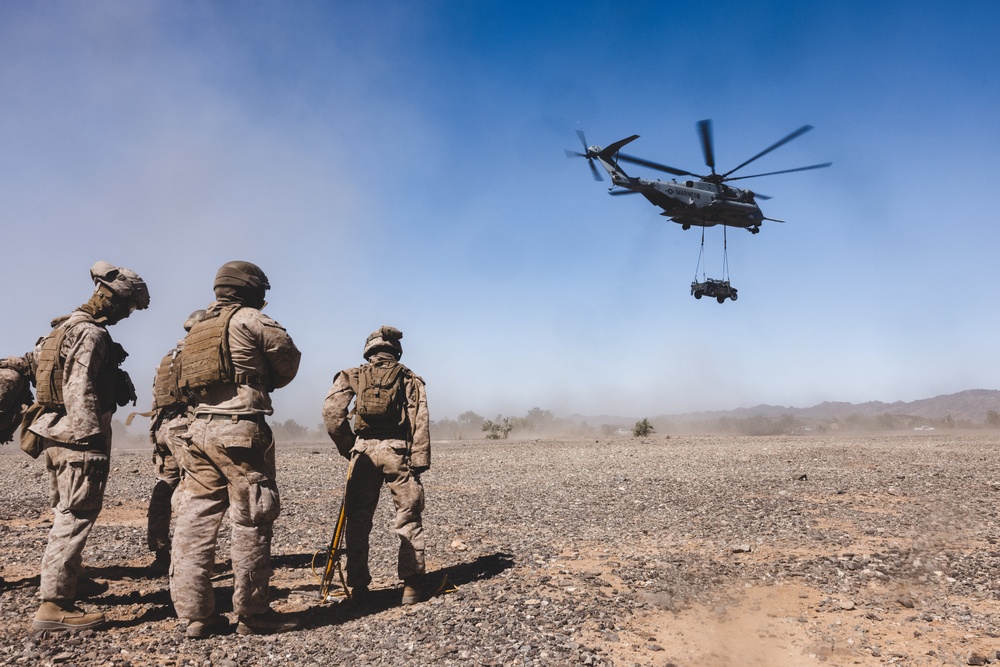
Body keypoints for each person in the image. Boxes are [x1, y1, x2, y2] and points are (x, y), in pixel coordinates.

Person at [169, 261, 301, 639]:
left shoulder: (195, 330)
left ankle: (195, 616)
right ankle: (253, 613)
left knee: (194, 523)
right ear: (251, 290)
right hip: (239, 430)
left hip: (196, 432)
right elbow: (287, 363)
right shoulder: (251, 320)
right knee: (252, 520)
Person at [25, 261, 149, 631]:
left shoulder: (60, 329)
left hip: (54, 434)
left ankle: (66, 582)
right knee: (75, 515)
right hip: (78, 440)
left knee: (65, 510)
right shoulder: (90, 334)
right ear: (112, 300)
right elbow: (79, 389)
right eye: (127, 307)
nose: (127, 315)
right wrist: (92, 441)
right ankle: (55, 605)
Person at [322, 325, 430, 606]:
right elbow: (420, 420)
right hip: (398, 452)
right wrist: (418, 462)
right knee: (408, 516)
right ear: (396, 350)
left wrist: (351, 448)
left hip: (363, 453)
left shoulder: (351, 375)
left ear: (368, 349)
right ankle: (412, 585)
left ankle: (359, 588)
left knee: (357, 520)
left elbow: (332, 413)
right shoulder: (409, 377)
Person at [145, 309, 206, 575]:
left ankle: (161, 552)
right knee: (194, 489)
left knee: (165, 487)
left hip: (161, 427)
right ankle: (187, 558)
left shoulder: (167, 357)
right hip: (182, 427)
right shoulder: (195, 354)